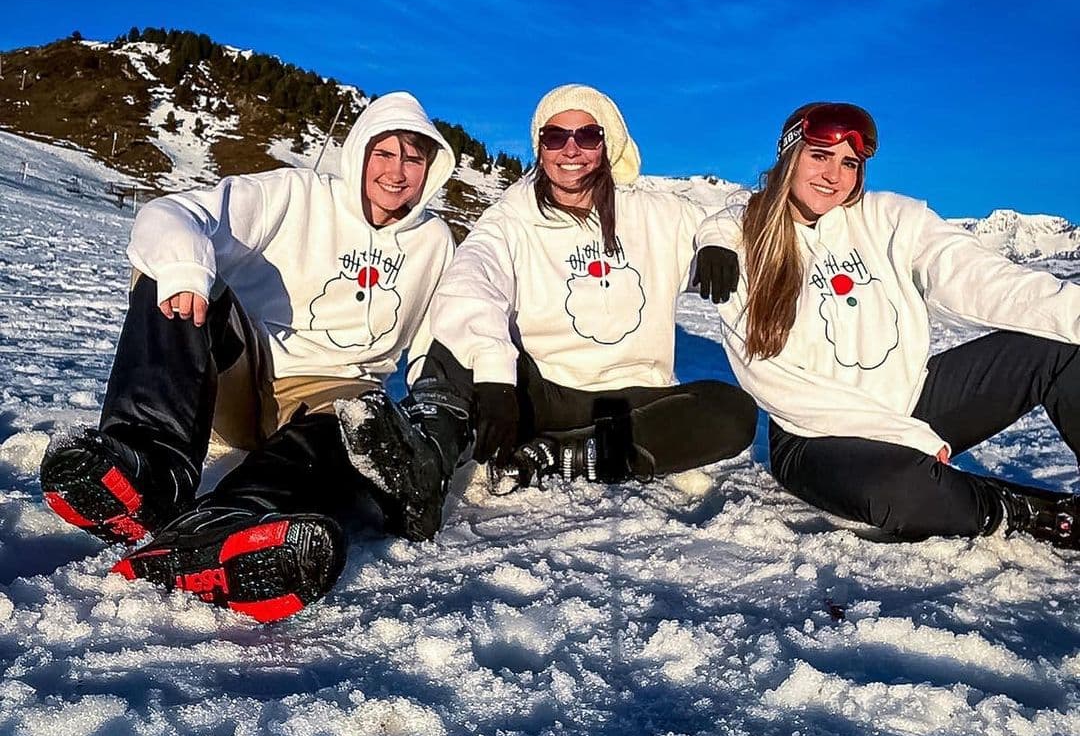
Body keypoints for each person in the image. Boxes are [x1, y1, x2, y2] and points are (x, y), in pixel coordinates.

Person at [40, 92, 457, 620]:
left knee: (354, 421)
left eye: (414, 158)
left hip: (333, 392)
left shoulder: (436, 241)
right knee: (167, 276)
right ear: (359, 153)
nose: (397, 172)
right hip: (250, 372)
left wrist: (437, 427)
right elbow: (172, 213)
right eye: (385, 153)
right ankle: (148, 471)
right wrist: (187, 270)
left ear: (431, 169)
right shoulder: (297, 195)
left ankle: (225, 523)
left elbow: (442, 338)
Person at [338, 84, 758, 534]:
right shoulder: (512, 217)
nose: (571, 149)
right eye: (555, 137)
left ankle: (561, 455)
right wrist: (496, 375)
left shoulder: (658, 212)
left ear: (608, 143)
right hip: (537, 393)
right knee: (458, 348)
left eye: (587, 135)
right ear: (540, 147)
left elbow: (747, 208)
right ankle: (426, 465)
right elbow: (472, 281)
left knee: (733, 411)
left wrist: (719, 238)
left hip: (628, 399)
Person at [692, 101, 1080, 546]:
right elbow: (772, 380)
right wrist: (902, 435)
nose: (833, 176)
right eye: (820, 155)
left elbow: (981, 277)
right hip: (816, 435)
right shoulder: (740, 247)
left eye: (850, 163)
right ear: (789, 156)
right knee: (899, 489)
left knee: (1060, 347)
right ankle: (1025, 510)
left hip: (910, 398)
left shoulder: (889, 219)